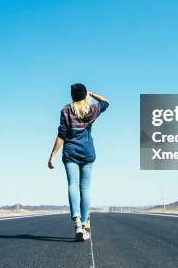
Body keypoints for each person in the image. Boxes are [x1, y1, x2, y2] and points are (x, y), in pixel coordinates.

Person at [47, 83, 109, 242]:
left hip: (70, 153)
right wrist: (92, 94)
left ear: (72, 96)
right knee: (85, 187)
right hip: (87, 152)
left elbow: (61, 134)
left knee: (72, 185)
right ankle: (83, 222)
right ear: (84, 94)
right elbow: (106, 102)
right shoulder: (91, 110)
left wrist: (52, 155)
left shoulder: (66, 110)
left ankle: (77, 225)